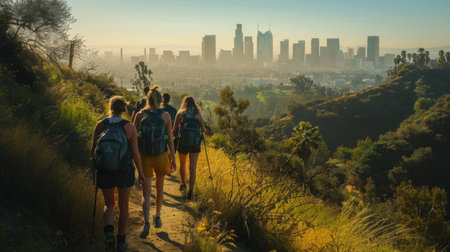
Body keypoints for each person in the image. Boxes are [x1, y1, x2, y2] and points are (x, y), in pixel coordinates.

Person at [91, 96, 145, 252]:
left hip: (105, 171)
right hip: (124, 171)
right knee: (123, 206)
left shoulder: (100, 125)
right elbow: (135, 153)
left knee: (108, 204)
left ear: (110, 107)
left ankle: (109, 231)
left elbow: (93, 150)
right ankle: (121, 242)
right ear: (123, 109)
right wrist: (141, 173)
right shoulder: (129, 127)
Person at [133, 86, 177, 238]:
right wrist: (173, 158)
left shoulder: (139, 114)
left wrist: (133, 158)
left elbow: (133, 138)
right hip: (161, 155)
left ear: (147, 99)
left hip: (144, 156)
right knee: (160, 189)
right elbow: (170, 140)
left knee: (146, 193)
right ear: (160, 100)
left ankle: (146, 222)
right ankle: (157, 217)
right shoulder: (165, 115)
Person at [172, 96, 206, 200]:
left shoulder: (180, 114)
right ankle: (190, 191)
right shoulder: (198, 115)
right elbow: (203, 130)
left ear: (184, 103)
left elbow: (174, 131)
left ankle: (183, 184)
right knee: (193, 168)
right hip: (195, 144)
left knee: (182, 164)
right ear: (194, 104)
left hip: (182, 143)